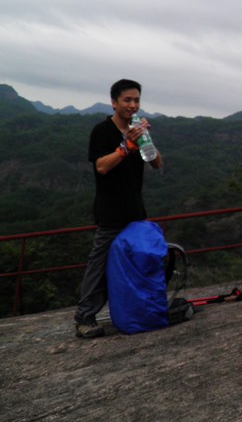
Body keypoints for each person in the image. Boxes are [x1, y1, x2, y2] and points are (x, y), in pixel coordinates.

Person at [74, 79, 163, 338]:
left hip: (136, 213)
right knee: (99, 266)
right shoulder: (102, 131)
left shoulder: (137, 131)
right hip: (111, 213)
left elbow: (157, 164)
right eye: (127, 100)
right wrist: (127, 147)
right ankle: (84, 318)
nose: (133, 105)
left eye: (136, 100)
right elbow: (101, 166)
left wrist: (146, 141)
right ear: (114, 102)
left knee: (138, 263)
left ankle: (138, 309)